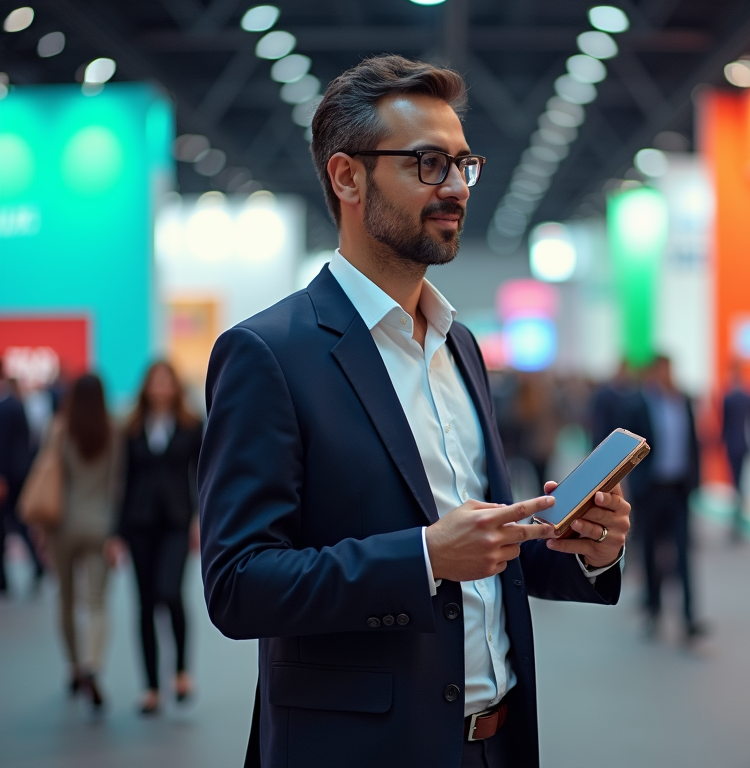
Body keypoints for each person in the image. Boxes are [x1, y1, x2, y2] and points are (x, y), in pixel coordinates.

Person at [198, 55, 629, 768]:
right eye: (428, 164)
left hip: (497, 741)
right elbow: (239, 584)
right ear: (347, 178)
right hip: (358, 749)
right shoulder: (267, 353)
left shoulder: (458, 343)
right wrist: (424, 557)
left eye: (463, 164)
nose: (456, 188)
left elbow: (484, 548)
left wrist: (586, 547)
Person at [115, 361, 203, 715]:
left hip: (177, 521)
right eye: (156, 381)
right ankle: (151, 687)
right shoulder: (132, 428)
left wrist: (200, 519)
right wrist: (116, 533)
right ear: (146, 387)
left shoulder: (191, 425)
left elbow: (203, 475)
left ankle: (181, 671)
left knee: (170, 593)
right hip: (139, 522)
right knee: (145, 603)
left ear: (176, 387)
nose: (161, 387)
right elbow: (122, 481)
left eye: (168, 381)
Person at [46, 374, 120, 709]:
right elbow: (118, 484)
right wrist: (117, 532)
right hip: (100, 525)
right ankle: (93, 664)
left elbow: (50, 477)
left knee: (65, 598)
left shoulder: (61, 428)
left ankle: (74, 666)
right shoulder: (113, 430)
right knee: (96, 601)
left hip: (62, 525)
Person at [627, 354, 705, 641]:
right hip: (650, 490)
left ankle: (689, 616)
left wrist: (695, 481)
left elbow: (694, 443)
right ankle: (653, 608)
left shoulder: (683, 401)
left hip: (677, 489)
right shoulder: (638, 403)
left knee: (683, 552)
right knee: (650, 550)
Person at [0, 376, 44, 594]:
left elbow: (4, 446)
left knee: (15, 522)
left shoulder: (7, 406)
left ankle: (34, 564)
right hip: (19, 473)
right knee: (20, 521)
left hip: (8, 476)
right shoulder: (17, 404)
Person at [721, 361, 750, 540]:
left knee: (738, 483)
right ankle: (738, 518)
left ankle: (738, 519)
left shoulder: (736, 397)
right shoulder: (742, 396)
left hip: (737, 444)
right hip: (739, 444)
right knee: (738, 483)